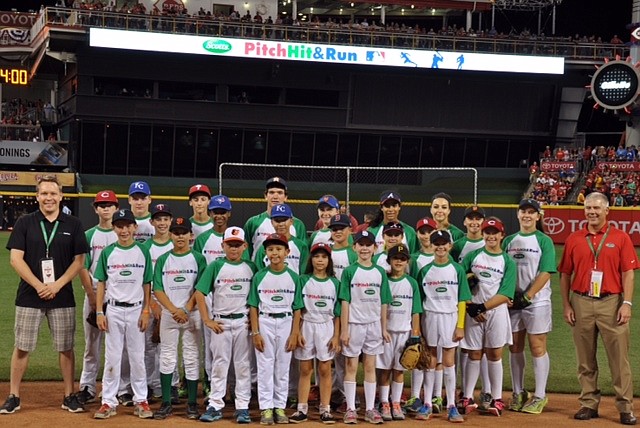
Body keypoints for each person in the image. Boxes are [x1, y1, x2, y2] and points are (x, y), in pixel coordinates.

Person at [2, 175, 89, 414]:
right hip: (30, 295)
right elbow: (15, 259)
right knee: (22, 346)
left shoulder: (73, 224)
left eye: (53, 193)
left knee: (66, 347)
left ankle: (69, 395)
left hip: (61, 295)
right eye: (44, 193)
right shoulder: (25, 222)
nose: (48, 198)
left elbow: (79, 260)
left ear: (61, 196)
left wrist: (57, 284)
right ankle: (14, 395)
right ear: (37, 196)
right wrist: (39, 284)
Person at [558, 192, 638, 426]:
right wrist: (566, 304)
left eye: (596, 208)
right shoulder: (574, 238)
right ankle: (588, 403)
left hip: (611, 303)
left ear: (606, 211)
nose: (591, 212)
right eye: (588, 208)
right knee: (585, 359)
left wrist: (627, 303)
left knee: (619, 359)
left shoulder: (620, 237)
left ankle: (625, 407)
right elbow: (565, 274)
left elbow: (628, 273)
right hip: (581, 302)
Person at [93, 209, 153, 419]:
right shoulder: (108, 252)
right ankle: (108, 401)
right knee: (112, 357)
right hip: (114, 310)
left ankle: (141, 401)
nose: (124, 230)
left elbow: (147, 283)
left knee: (137, 357)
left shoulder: (143, 251)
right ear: (114, 227)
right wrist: (100, 311)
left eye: (128, 226)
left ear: (135, 227)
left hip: (136, 309)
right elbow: (101, 283)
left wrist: (146, 309)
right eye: (120, 226)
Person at [196, 226, 257, 424]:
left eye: (238, 245)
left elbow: (257, 296)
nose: (234, 249)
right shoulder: (215, 266)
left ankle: (242, 407)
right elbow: (200, 292)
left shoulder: (251, 266)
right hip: (221, 321)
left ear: (245, 246)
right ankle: (215, 404)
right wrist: (207, 320)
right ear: (223, 245)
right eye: (230, 245)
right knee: (219, 364)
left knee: (243, 366)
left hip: (243, 322)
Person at [458, 218, 516, 417]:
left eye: (495, 232)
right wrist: (470, 307)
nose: (491, 236)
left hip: (495, 312)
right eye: (487, 232)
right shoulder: (473, 256)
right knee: (473, 354)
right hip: (473, 311)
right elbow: (460, 280)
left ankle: (496, 398)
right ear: (483, 234)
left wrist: (480, 307)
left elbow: (506, 293)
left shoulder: (507, 261)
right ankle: (467, 396)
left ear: (502, 235)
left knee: (494, 354)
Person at [503, 199, 556, 414]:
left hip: (537, 301)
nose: (527, 215)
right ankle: (518, 392)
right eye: (523, 211)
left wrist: (529, 295)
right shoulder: (508, 240)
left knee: (537, 346)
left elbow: (546, 271)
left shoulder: (544, 240)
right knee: (514, 346)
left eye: (531, 212)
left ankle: (540, 395)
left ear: (538, 216)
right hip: (512, 301)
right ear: (517, 214)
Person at [151, 217, 207, 420]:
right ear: (171, 235)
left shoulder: (199, 259)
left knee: (191, 357)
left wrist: (185, 309)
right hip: (170, 314)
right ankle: (166, 403)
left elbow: (200, 288)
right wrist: (175, 310)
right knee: (167, 357)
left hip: (192, 314)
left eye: (184, 232)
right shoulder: (164, 259)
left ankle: (192, 404)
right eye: (176, 232)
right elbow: (157, 288)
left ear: (191, 235)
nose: (180, 236)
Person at [248, 233, 304, 425]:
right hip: (265, 321)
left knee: (282, 366)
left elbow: (297, 307)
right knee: (265, 366)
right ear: (266, 252)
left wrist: (295, 332)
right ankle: (266, 408)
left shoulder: (294, 277)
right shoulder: (260, 276)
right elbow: (253, 306)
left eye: (279, 249)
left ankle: (279, 406)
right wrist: (255, 332)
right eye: (271, 249)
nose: (275, 252)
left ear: (287, 252)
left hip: (286, 321)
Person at [416, 230, 471, 423]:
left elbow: (462, 299)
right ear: (431, 246)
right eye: (436, 243)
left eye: (443, 243)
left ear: (449, 246)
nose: (440, 247)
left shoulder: (457, 269)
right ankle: (428, 403)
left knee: (449, 361)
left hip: (450, 316)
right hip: (430, 316)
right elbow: (420, 301)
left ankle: (451, 405)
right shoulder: (424, 271)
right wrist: (418, 328)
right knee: (430, 358)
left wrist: (460, 325)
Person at [339, 230, 392, 424]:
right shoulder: (349, 271)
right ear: (354, 248)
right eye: (360, 244)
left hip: (373, 325)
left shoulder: (380, 272)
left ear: (375, 248)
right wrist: (344, 330)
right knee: (351, 366)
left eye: (368, 245)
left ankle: (370, 408)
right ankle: (351, 408)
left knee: (370, 366)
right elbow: (345, 301)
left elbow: (384, 302)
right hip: (354, 324)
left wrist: (384, 328)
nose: (364, 248)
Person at [290, 242, 341, 424]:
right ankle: (301, 408)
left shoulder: (335, 282)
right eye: (316, 256)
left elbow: (337, 313)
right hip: (307, 325)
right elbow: (297, 307)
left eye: (324, 257)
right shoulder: (303, 280)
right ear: (311, 259)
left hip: (326, 327)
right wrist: (296, 331)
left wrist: (336, 335)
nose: (320, 260)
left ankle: (325, 409)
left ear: (329, 260)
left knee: (325, 368)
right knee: (305, 369)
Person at [77, 190, 119, 405]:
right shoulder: (88, 235)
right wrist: (92, 297)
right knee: (92, 344)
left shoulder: (121, 234)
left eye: (110, 204)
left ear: (116, 208)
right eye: (102, 205)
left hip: (118, 296)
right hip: (93, 294)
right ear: (95, 209)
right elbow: (82, 266)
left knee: (116, 345)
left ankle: (115, 387)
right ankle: (87, 386)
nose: (105, 208)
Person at [376, 244, 422, 422]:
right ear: (389, 260)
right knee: (385, 370)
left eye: (402, 259)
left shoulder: (411, 283)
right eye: (395, 258)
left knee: (399, 369)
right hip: (387, 332)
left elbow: (416, 311)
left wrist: (415, 336)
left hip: (404, 332)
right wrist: (382, 328)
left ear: (407, 261)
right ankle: (384, 402)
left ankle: (395, 402)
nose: (399, 262)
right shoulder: (384, 281)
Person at [243, 177, 307, 260]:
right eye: (271, 192)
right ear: (265, 196)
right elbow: (246, 251)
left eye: (280, 193)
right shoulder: (253, 222)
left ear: (286, 197)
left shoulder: (297, 224)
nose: (275, 196)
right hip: (260, 271)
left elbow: (303, 252)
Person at [254, 203, 309, 274]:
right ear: (272, 222)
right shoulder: (264, 247)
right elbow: (259, 274)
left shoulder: (301, 246)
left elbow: (304, 274)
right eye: (277, 220)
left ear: (291, 221)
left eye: (284, 220)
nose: (281, 224)